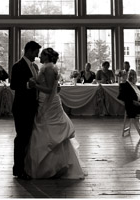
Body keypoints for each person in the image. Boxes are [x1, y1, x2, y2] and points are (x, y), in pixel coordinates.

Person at [24, 47, 85, 179]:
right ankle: (53, 165)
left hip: (48, 103)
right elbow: (54, 87)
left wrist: (35, 85)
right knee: (44, 129)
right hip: (46, 101)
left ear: (47, 56)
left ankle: (53, 167)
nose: (39, 55)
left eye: (42, 54)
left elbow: (49, 89)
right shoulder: (47, 66)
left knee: (48, 129)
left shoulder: (49, 68)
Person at [11, 41, 41, 179]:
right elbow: (13, 85)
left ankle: (25, 167)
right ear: (29, 51)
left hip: (31, 107)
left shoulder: (33, 66)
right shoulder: (18, 66)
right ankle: (18, 169)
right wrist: (28, 84)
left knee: (27, 138)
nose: (37, 55)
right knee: (21, 138)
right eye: (36, 52)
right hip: (22, 107)